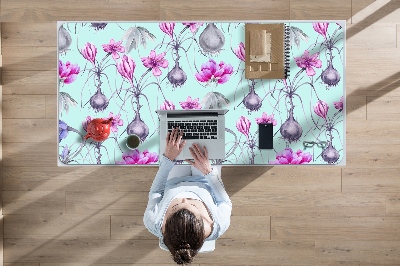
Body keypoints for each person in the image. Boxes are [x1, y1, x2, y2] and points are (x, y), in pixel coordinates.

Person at [144, 127, 232, 264]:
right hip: (205, 180)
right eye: (192, 205)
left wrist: (168, 159)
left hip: (173, 181)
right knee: (206, 133)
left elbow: (156, 192)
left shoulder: (153, 222)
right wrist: (208, 171)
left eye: (176, 206)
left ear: (165, 224)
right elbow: (224, 202)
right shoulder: (219, 224)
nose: (184, 198)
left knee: (174, 139)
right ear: (204, 222)